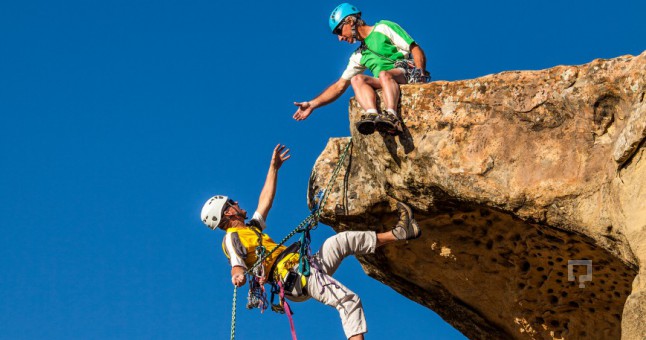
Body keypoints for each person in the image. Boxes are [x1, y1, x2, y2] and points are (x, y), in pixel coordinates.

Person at [200, 144, 421, 340]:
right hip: (294, 277)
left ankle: (401, 232)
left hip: (304, 267)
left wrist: (274, 169)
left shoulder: (251, 230)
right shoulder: (232, 238)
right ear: (228, 213)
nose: (237, 202)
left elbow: (264, 203)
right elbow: (236, 264)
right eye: (232, 203)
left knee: (341, 241)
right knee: (349, 300)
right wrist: (237, 275)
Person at [293, 3, 430, 136]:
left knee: (384, 74)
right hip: (386, 80)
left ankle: (392, 117)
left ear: (350, 21)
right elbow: (339, 86)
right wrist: (312, 104)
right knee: (357, 79)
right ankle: (372, 114)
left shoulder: (383, 28)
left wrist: (420, 74)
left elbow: (414, 48)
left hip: (405, 71)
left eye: (339, 31)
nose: (340, 38)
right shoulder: (358, 55)